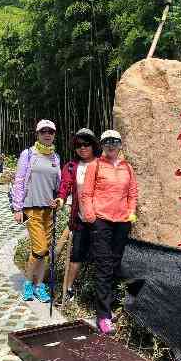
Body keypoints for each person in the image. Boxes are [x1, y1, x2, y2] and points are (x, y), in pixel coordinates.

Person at [80, 129, 138, 335]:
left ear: (120, 144)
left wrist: (131, 213)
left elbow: (132, 193)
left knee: (114, 264)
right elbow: (85, 194)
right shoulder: (95, 165)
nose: (111, 145)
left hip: (121, 222)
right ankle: (103, 316)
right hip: (102, 221)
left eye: (115, 141)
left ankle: (108, 307)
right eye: (107, 142)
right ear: (102, 145)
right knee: (104, 266)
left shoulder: (127, 167)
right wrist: (91, 216)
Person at [12, 120, 60, 302]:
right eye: (43, 131)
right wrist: (17, 207)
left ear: (54, 134)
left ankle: (39, 285)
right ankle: (27, 283)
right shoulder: (28, 154)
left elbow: (57, 185)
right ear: (37, 134)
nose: (47, 135)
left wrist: (59, 201)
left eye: (51, 132)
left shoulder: (56, 157)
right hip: (32, 209)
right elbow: (19, 180)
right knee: (39, 248)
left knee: (44, 250)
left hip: (49, 210)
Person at [54, 128, 101, 303]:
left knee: (102, 256)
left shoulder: (101, 164)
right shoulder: (71, 166)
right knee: (76, 255)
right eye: (79, 145)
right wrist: (60, 200)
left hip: (101, 220)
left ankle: (101, 294)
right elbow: (64, 187)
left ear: (93, 145)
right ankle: (68, 291)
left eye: (87, 144)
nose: (83, 148)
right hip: (80, 218)